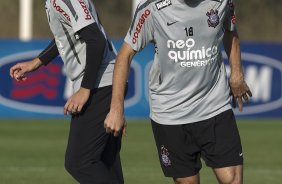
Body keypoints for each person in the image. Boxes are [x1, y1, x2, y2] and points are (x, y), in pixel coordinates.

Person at [104, 0, 252, 183]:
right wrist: (116, 108)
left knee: (233, 180)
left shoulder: (221, 2)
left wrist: (236, 74)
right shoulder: (151, 8)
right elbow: (124, 55)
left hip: (214, 105)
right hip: (170, 113)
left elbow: (230, 29)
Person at [10, 0, 124, 183]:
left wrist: (85, 89)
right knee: (105, 161)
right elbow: (67, 35)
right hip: (107, 81)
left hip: (100, 84)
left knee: (79, 162)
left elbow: (95, 40)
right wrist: (37, 62)